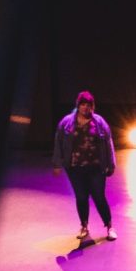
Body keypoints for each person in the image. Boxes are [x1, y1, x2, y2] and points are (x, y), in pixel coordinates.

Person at [53, 90, 116, 244]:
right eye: (83, 105)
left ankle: (109, 226)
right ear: (78, 105)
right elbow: (58, 143)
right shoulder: (67, 123)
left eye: (88, 105)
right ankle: (84, 226)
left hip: (96, 167)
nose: (85, 108)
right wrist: (57, 163)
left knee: (99, 197)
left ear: (92, 107)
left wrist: (111, 164)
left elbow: (108, 143)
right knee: (81, 198)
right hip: (75, 168)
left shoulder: (99, 122)